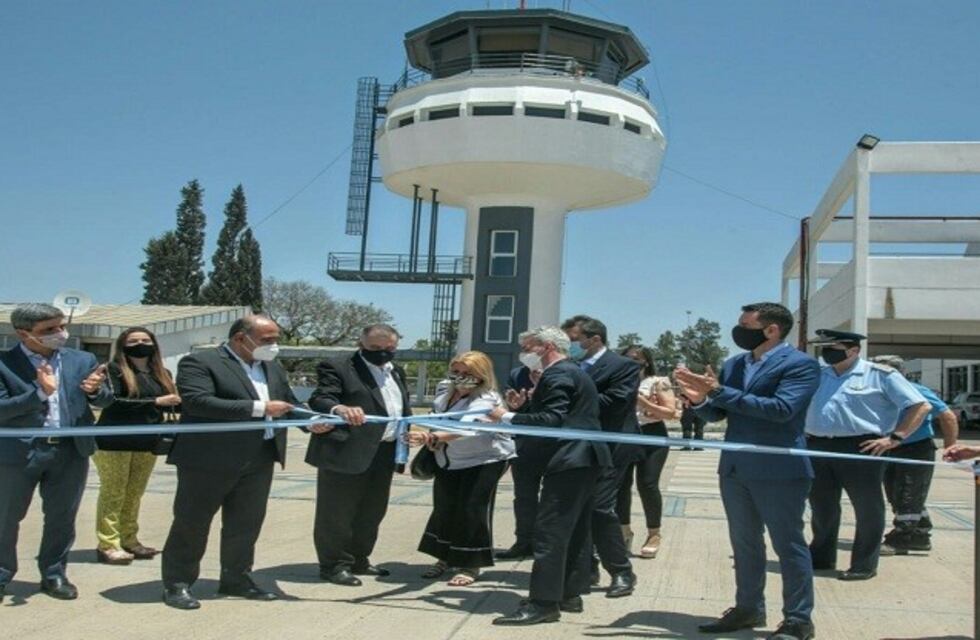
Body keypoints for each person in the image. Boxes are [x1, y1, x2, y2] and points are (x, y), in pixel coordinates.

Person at [161, 314, 328, 610]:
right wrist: (260, 408)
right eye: (267, 340)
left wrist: (311, 421)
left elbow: (288, 403)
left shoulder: (271, 367)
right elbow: (198, 402)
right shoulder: (200, 362)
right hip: (209, 460)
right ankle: (178, 583)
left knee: (245, 525)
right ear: (241, 338)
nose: (274, 346)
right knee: (192, 523)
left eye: (276, 339)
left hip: (260, 457)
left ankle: (236, 578)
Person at [675, 302, 820, 640]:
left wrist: (717, 391)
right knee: (744, 544)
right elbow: (719, 413)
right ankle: (748, 608)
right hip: (735, 469)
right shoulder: (734, 364)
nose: (739, 331)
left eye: (745, 325)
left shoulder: (801, 365)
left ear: (772, 330)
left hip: (780, 470)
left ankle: (798, 620)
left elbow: (781, 409)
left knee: (789, 546)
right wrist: (699, 400)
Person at [486, 326, 612, 626]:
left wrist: (506, 416)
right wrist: (526, 406)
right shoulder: (572, 372)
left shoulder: (558, 374)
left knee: (550, 532)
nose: (524, 353)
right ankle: (568, 594)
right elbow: (565, 414)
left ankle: (543, 603)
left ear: (547, 347)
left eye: (528, 347)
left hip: (570, 459)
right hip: (584, 458)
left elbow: (553, 419)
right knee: (575, 530)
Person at [0, 303, 112, 602]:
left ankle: (54, 573)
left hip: (69, 451)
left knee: (62, 518)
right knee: (6, 517)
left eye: (61, 326)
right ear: (23, 333)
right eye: (49, 330)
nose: (60, 333)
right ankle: (2, 573)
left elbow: (105, 399)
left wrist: (95, 391)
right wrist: (40, 393)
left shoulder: (82, 359)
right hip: (19, 453)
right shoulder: (4, 363)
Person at [804, 329, 930, 582]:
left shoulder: (880, 375)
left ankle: (864, 564)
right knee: (822, 505)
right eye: (824, 348)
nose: (826, 353)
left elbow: (920, 405)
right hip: (817, 445)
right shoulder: (819, 375)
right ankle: (822, 556)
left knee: (867, 508)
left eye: (833, 348)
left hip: (861, 447)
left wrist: (895, 437)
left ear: (853, 350)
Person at [306, 323, 411, 587]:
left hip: (385, 450)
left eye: (389, 348)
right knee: (337, 513)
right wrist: (339, 408)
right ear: (360, 344)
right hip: (346, 451)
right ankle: (334, 565)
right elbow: (321, 398)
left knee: (372, 511)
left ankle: (359, 559)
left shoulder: (395, 371)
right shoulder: (338, 367)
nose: (383, 352)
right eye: (375, 347)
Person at [407, 351, 515, 586]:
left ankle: (471, 564)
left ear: (481, 375)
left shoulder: (487, 398)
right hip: (449, 459)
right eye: (456, 371)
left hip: (485, 460)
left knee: (472, 509)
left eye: (468, 373)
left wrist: (432, 436)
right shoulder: (444, 391)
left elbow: (468, 428)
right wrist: (429, 433)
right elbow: (436, 417)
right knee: (444, 507)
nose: (460, 377)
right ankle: (445, 557)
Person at [561, 315, 640, 598]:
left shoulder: (624, 366)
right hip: (577, 447)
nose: (570, 346)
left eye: (574, 340)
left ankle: (621, 571)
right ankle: (586, 566)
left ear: (595, 339)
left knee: (599, 507)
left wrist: (571, 403)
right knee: (577, 507)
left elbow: (616, 401)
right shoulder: (569, 366)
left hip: (612, 447)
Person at [93, 327, 180, 565]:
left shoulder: (162, 373)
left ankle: (129, 539)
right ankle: (108, 543)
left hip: (147, 442)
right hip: (113, 441)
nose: (140, 344)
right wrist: (155, 401)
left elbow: (169, 404)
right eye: (133, 341)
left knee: (134, 494)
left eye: (145, 340)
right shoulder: (113, 370)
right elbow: (113, 402)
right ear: (123, 345)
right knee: (114, 492)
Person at [869, 355, 957, 556]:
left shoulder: (915, 390)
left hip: (916, 448)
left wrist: (950, 447)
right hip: (890, 448)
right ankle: (920, 534)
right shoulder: (877, 391)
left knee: (908, 493)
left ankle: (901, 538)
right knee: (895, 494)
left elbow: (948, 416)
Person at [617, 345, 679, 558]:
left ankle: (654, 533)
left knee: (647, 484)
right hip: (624, 434)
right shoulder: (617, 381)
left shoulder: (658, 382)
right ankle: (624, 531)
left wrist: (642, 401)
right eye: (627, 358)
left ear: (646, 361)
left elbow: (670, 412)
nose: (632, 363)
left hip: (651, 434)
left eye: (637, 359)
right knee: (621, 485)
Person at [496, 331, 542, 560]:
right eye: (522, 349)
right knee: (524, 496)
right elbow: (511, 407)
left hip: (559, 447)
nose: (524, 353)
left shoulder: (565, 372)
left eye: (528, 348)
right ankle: (524, 541)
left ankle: (548, 544)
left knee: (556, 498)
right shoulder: (518, 374)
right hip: (524, 445)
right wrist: (515, 406)